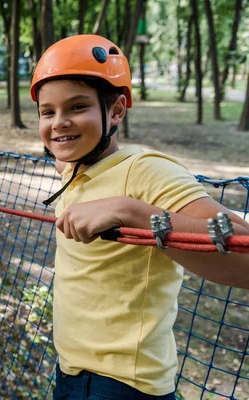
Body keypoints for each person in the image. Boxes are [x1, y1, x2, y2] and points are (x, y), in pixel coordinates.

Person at [30, 34, 249, 399]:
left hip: (120, 385)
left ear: (116, 111)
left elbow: (242, 247)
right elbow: (82, 161)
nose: (59, 123)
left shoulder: (145, 171)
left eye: (77, 107)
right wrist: (68, 156)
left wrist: (129, 211)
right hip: (71, 372)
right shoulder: (77, 168)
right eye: (48, 112)